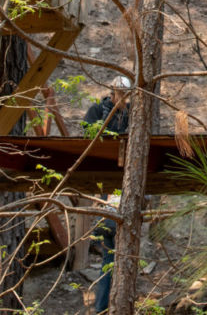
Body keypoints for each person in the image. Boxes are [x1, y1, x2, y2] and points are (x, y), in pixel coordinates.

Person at [80, 75, 131, 313]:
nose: (124, 99)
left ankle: (109, 306)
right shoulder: (98, 111)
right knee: (110, 252)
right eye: (120, 93)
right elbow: (87, 140)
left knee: (116, 258)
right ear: (112, 92)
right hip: (106, 187)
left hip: (124, 184)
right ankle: (103, 307)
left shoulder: (132, 116)